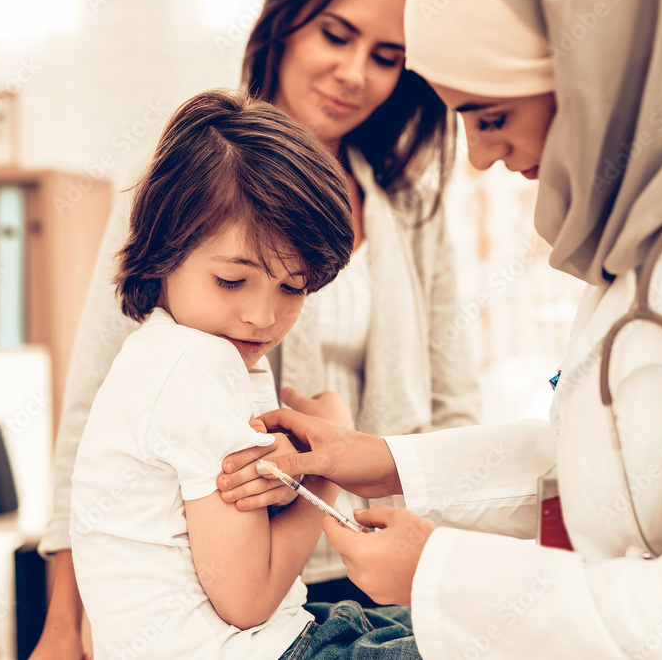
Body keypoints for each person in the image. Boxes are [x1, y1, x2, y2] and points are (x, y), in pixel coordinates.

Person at [219, 0, 662, 657]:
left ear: (594, 70)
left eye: (492, 116)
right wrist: (383, 459)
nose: (478, 157)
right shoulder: (654, 224)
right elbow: (599, 465)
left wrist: (441, 575)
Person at [32, 0, 478, 657]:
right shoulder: (181, 182)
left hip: (373, 560)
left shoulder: (410, 209)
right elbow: (93, 413)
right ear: (284, 26)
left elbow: (454, 405)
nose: (355, 73)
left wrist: (452, 563)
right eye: (336, 35)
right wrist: (63, 623)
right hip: (253, 585)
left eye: (387, 57)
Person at [71, 88, 425, 658]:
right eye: (232, 281)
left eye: (293, 288)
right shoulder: (195, 364)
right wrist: (325, 468)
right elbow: (248, 599)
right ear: (165, 248)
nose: (263, 316)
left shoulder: (171, 354)